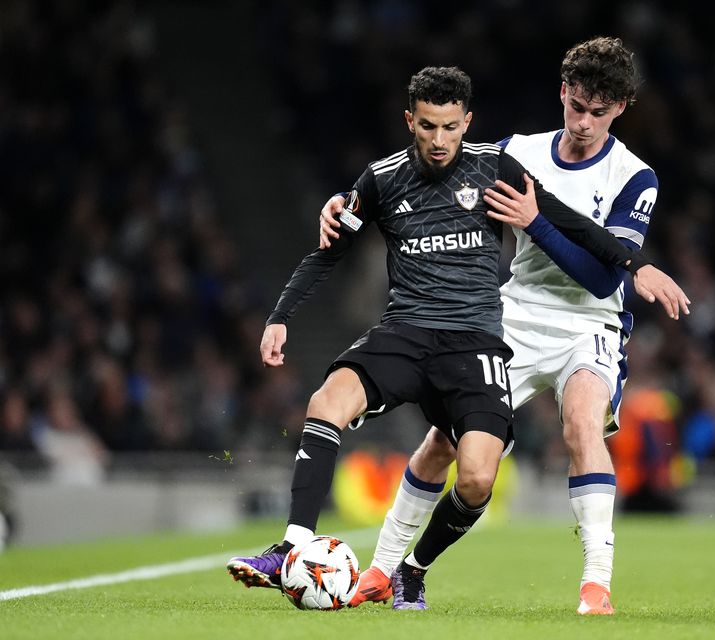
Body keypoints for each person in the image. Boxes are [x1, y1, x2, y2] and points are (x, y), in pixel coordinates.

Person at [226, 65, 664, 610]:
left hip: (555, 325)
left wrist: (633, 264)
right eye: (577, 106)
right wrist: (340, 205)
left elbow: (593, 260)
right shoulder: (510, 154)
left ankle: (586, 581)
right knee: (412, 435)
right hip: (481, 318)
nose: (583, 122)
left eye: (598, 112)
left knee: (541, 444)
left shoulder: (628, 174)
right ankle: (326, 556)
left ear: (620, 108)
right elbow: (344, 233)